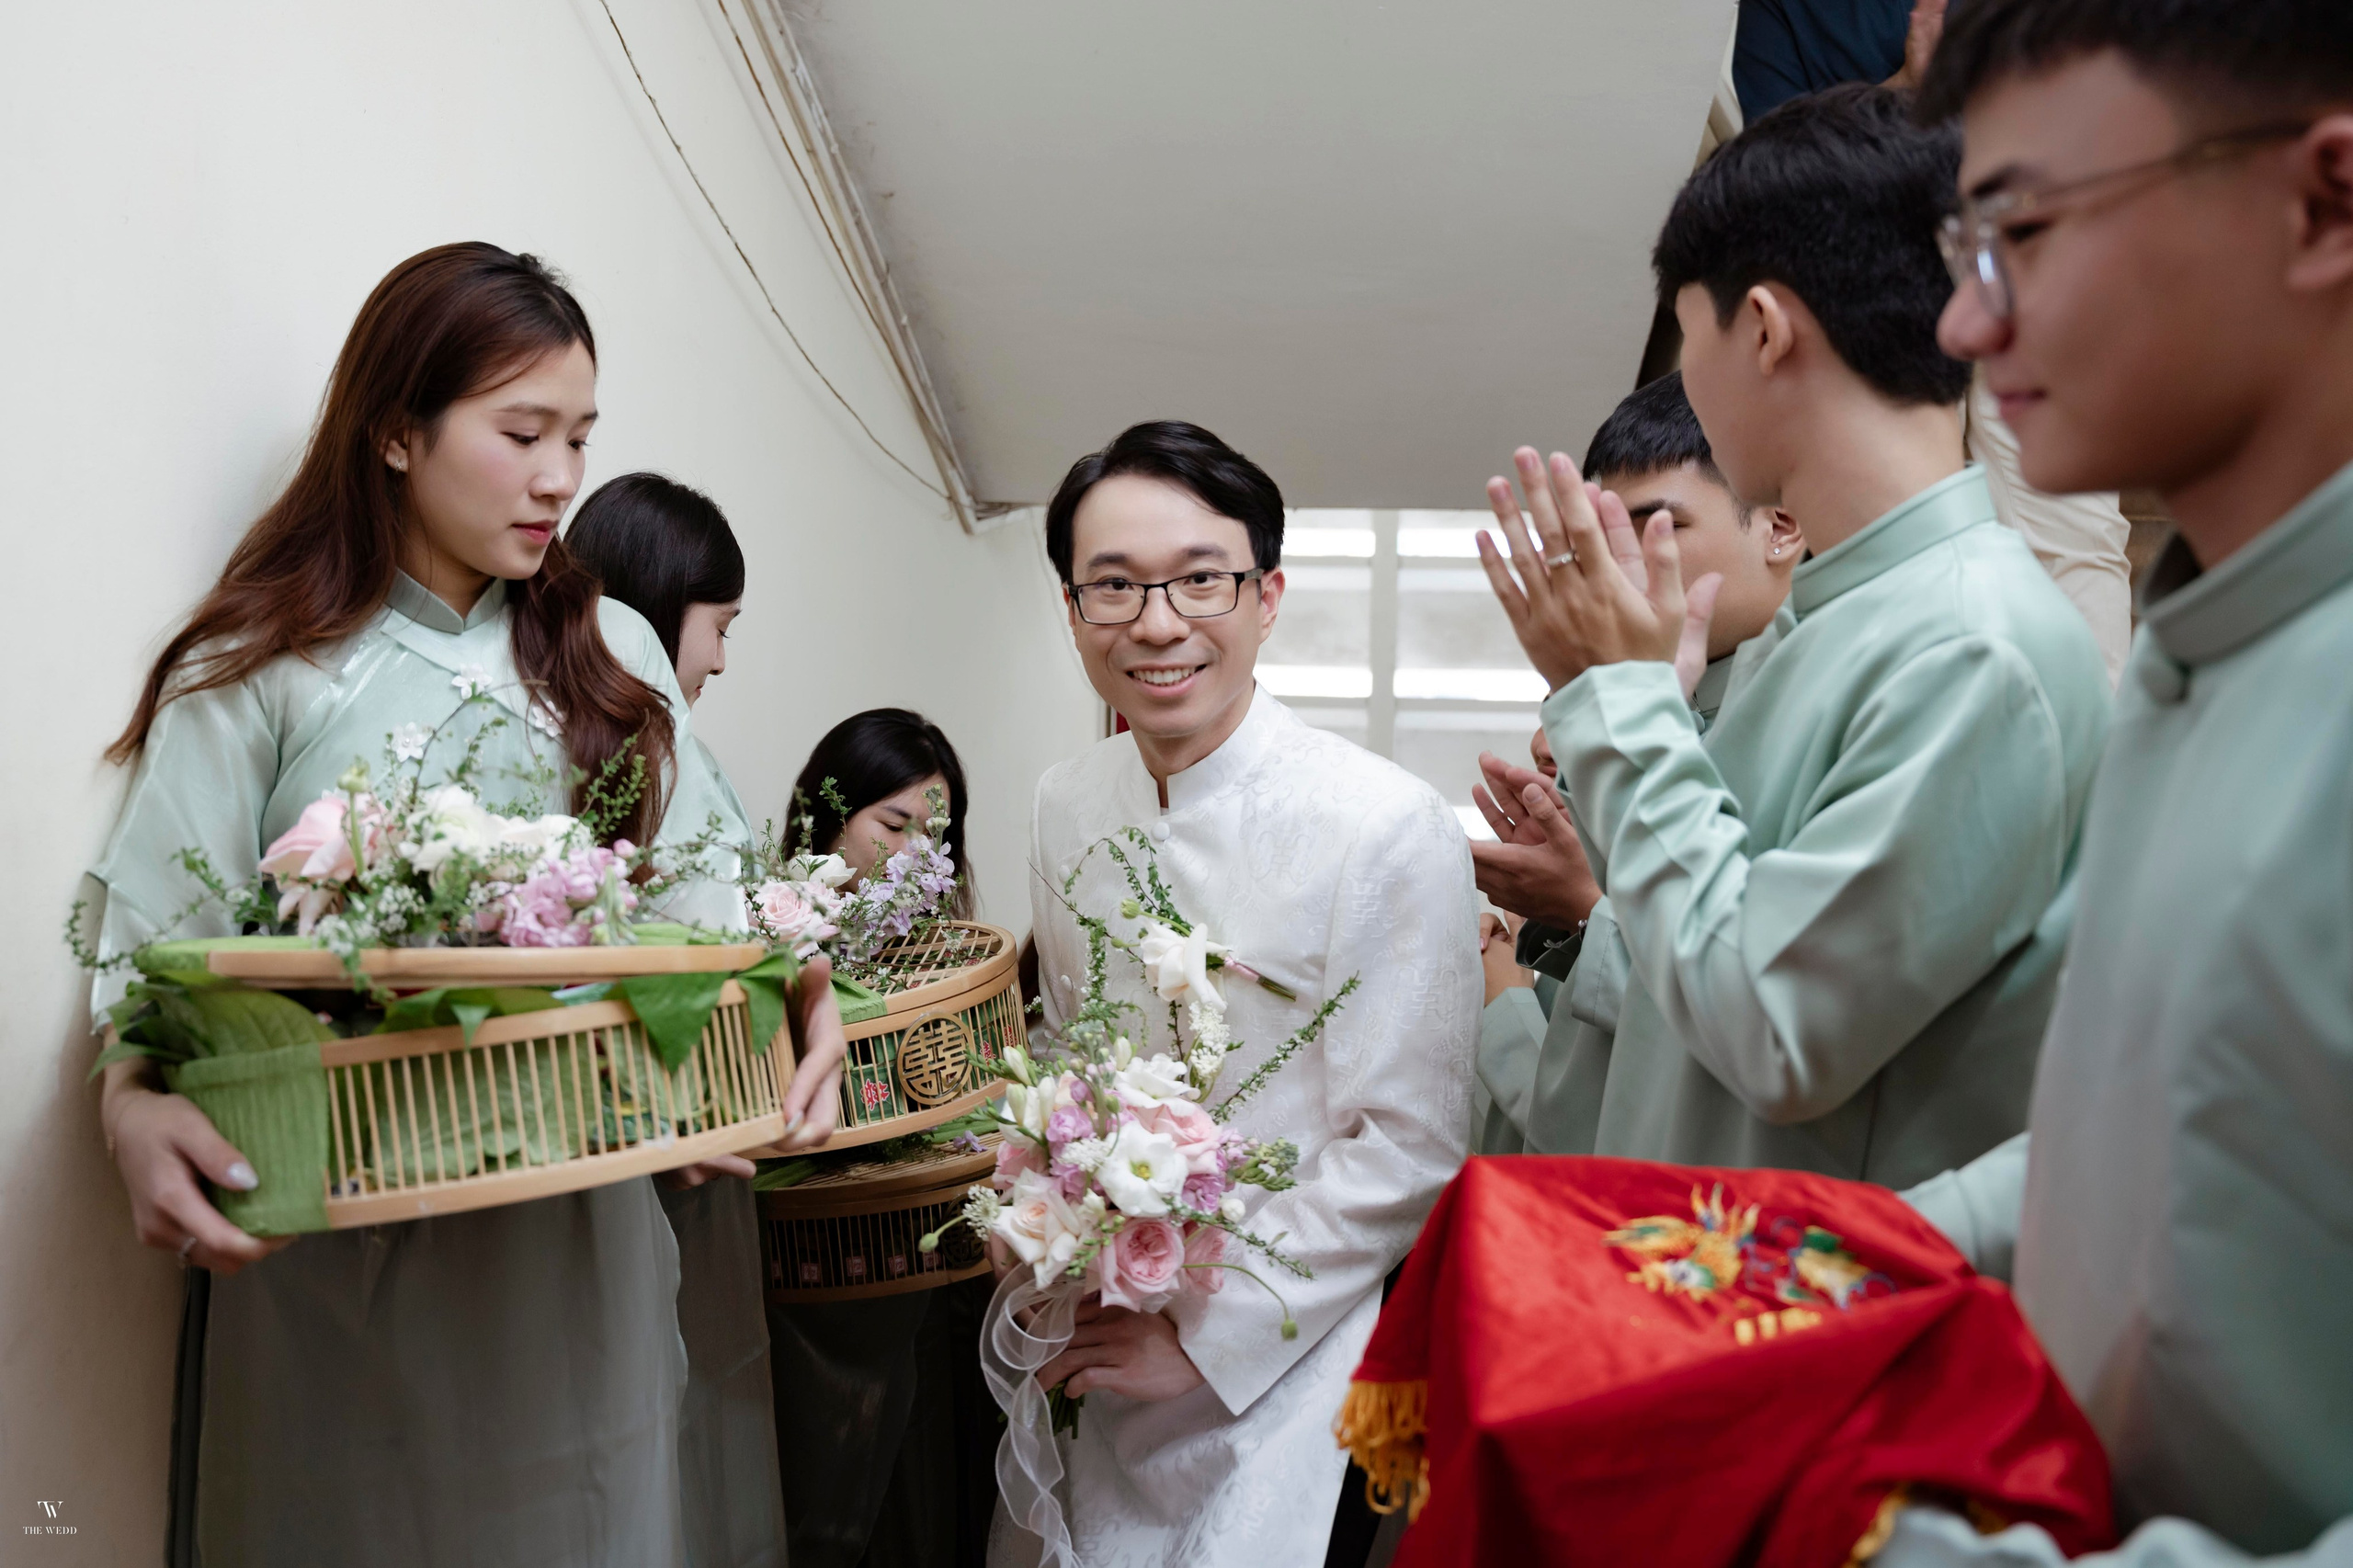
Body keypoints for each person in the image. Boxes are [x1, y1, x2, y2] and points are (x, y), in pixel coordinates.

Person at [86, 244, 846, 1568]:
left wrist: (805, 998)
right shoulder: (263, 662)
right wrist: (132, 1101)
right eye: (522, 432)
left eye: (580, 437)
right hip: (349, 1212)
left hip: (582, 1220)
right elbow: (153, 943)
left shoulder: (611, 648)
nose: (562, 478)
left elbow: (720, 892)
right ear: (394, 430)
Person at [1875, 2, 2353, 1561]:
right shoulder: (2187, 652)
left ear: (2322, 199)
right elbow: (2183, 1127)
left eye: (2024, 230)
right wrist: (1898, 1242)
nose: (1964, 325)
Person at [1474, 85, 2111, 1192]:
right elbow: (1665, 1025)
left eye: (1688, 340)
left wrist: (1622, 701)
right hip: (1689, 1278)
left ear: (1762, 328)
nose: (1685, 384)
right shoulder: (1809, 630)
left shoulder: (1972, 644)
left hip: (1812, 1318)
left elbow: (1775, 1028)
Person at [1005, 421, 1478, 1567]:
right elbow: (1068, 1051)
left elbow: (1408, 1148)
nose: (1157, 623)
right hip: (1103, 1333)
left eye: (1199, 579)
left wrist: (1210, 1339)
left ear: (1265, 594)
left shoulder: (1384, 825)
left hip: (1286, 1362)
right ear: (1072, 611)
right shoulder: (1065, 800)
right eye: (1112, 587)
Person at [1468, 370, 1805, 1157]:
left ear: (1781, 526)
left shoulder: (1816, 699)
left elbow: (1770, 1021)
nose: (1619, 567)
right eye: (1602, 536)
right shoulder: (1632, 698)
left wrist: (1583, 911)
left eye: (1657, 528)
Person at [566, 471, 786, 1568]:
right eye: (719, 625)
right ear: (659, 610)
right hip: (642, 1133)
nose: (718, 660)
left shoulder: (674, 751)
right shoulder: (634, 745)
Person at [766, 708, 998, 1568]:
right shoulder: (774, 933)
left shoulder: (948, 952)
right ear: (831, 816)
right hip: (818, 1284)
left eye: (931, 835)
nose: (908, 854)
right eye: (891, 824)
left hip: (936, 1272)